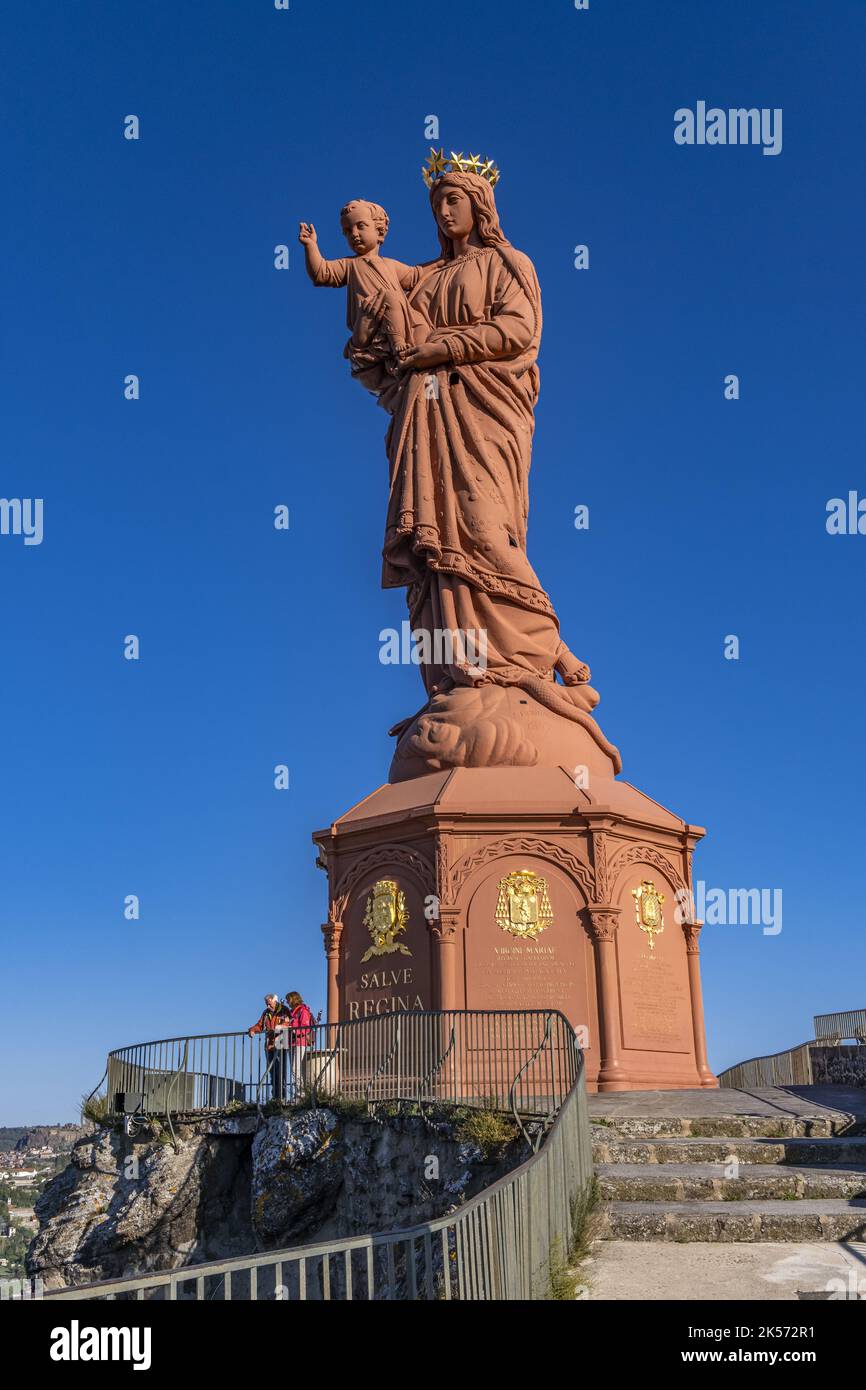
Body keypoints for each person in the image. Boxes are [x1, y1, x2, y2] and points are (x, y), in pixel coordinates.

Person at [299, 201, 436, 377]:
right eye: (348, 231)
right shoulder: (350, 264)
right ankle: (398, 343)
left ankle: (418, 374)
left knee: (421, 324)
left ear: (379, 230)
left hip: (398, 320)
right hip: (368, 328)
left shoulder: (390, 264)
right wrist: (311, 246)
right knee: (390, 297)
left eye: (360, 226)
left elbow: (416, 275)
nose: (354, 234)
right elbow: (321, 273)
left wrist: (444, 260)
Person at [247, 994, 289, 1102]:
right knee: (272, 1072)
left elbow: (287, 1024)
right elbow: (259, 1025)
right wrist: (252, 1030)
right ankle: (275, 1096)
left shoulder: (284, 1010)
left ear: (275, 1001)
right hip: (269, 1045)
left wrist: (276, 1029)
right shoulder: (266, 1013)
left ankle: (282, 1097)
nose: (268, 1006)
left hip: (281, 1043)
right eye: (266, 1004)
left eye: (269, 1003)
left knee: (281, 1071)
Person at [283, 992, 317, 1102]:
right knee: (294, 1069)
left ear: (293, 999)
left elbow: (305, 1027)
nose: (287, 1002)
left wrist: (292, 1028)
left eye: (288, 999)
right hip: (291, 1042)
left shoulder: (303, 1010)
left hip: (300, 1042)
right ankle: (298, 1093)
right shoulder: (292, 1012)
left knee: (295, 1068)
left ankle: (301, 1093)